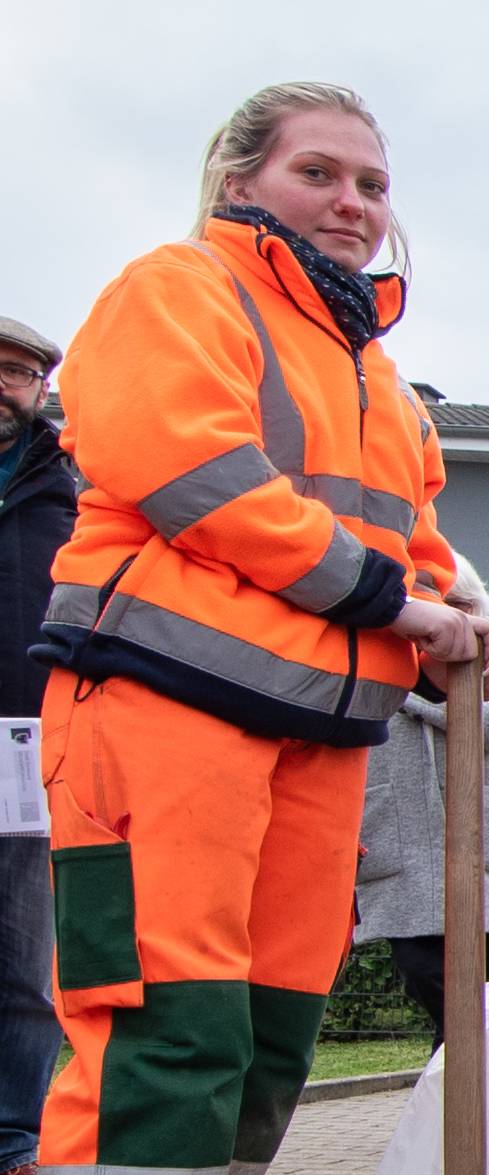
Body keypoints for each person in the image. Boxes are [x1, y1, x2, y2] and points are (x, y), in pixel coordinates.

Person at [31, 82, 489, 1172]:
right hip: (161, 703)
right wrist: (391, 602)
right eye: (317, 173)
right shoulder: (179, 288)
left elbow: (412, 537)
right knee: (165, 1028)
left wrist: (457, 616)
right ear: (240, 181)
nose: (352, 203)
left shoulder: (377, 373)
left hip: (318, 735)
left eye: (372, 184)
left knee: (271, 1035)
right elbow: (197, 474)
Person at [354, 555, 489, 1052]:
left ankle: (461, 1094)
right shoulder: (379, 649)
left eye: (461, 605)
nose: (451, 617)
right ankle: (459, 1088)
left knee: (479, 992)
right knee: (424, 973)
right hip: (402, 841)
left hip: (487, 842)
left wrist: (412, 694)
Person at [0, 315, 71, 1175]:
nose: (2, 385)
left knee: (25, 957)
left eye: (17, 373)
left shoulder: (72, 493)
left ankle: (14, 1134)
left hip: (26, 744)